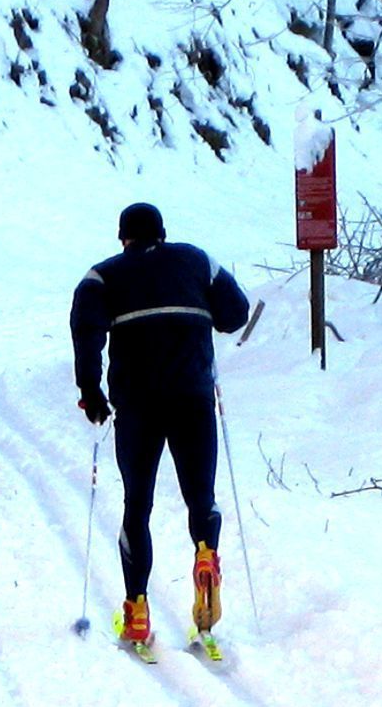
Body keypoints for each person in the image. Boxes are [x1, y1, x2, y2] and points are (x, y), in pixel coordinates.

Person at [71, 202, 250, 658]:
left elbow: (86, 330)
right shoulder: (196, 260)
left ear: (122, 238)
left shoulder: (102, 277)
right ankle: (206, 555)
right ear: (163, 233)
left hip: (138, 405)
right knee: (200, 496)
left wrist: (91, 392)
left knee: (138, 504)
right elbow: (235, 313)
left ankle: (136, 611)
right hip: (192, 398)